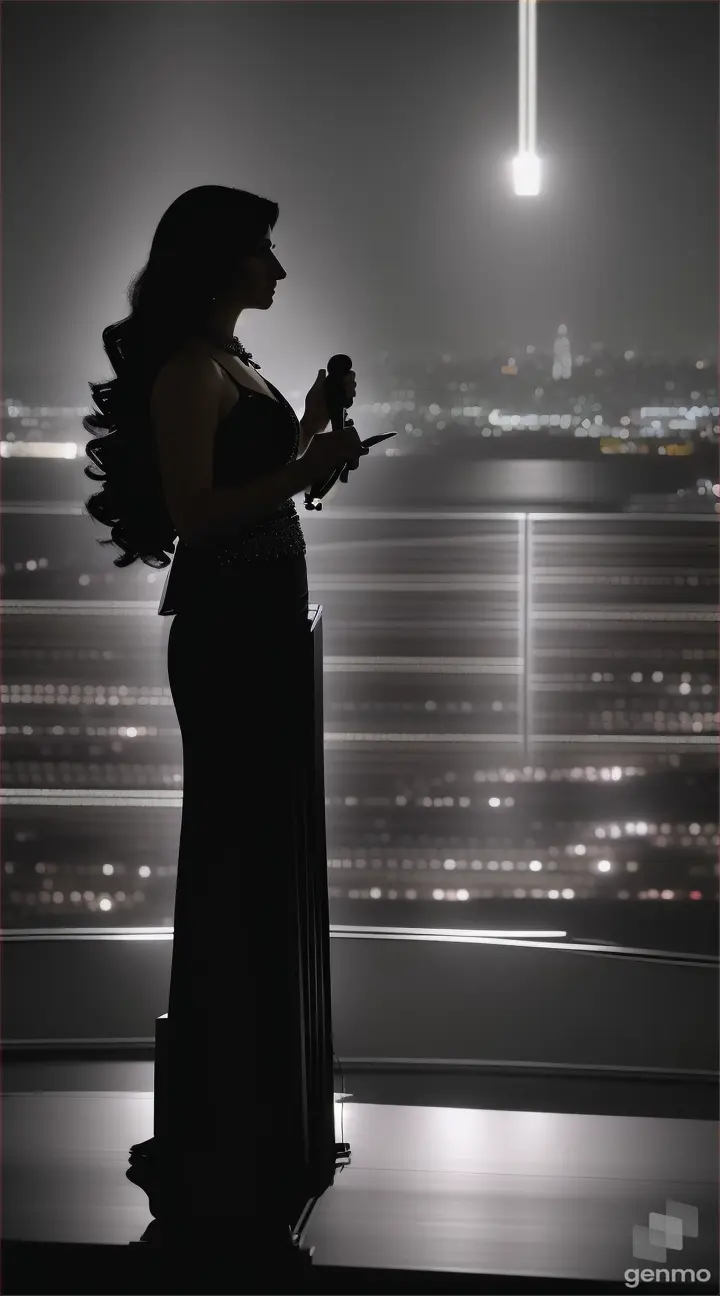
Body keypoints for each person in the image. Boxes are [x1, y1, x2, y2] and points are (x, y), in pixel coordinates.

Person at [83, 185, 367, 1255]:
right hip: (230, 631)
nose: (280, 272)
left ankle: (252, 1113)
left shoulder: (227, 367)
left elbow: (251, 481)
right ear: (222, 265)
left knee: (253, 854)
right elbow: (203, 514)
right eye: (265, 255)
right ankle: (232, 1124)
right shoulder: (189, 373)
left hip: (259, 625)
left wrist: (310, 427)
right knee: (237, 857)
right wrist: (305, 465)